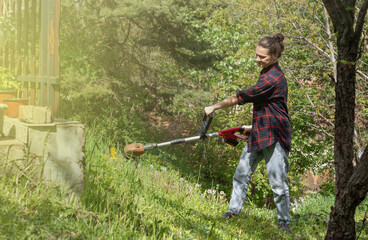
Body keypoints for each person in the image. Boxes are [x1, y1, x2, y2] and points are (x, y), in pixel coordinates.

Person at [204, 33, 291, 232]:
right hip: (260, 132)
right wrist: (252, 126)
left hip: (275, 136)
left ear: (275, 55)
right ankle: (233, 211)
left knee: (277, 183)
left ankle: (284, 223)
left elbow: (241, 97)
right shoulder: (267, 72)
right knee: (241, 174)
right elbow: (272, 106)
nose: (257, 60)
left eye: (262, 57)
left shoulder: (272, 78)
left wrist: (214, 107)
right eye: (257, 55)